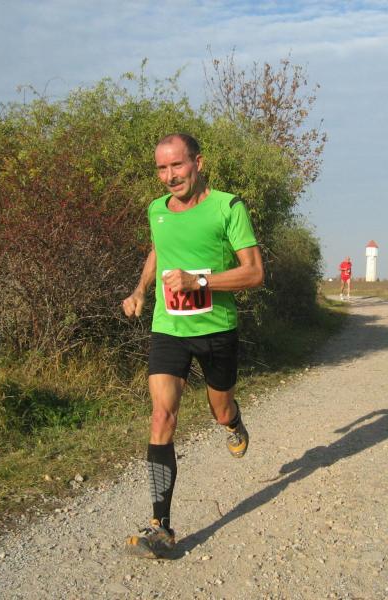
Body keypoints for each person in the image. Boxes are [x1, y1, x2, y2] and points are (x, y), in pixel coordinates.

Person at [121, 133, 264, 558]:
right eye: (162, 168)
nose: (170, 176)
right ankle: (160, 527)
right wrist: (140, 290)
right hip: (170, 328)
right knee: (161, 415)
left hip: (216, 329)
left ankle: (233, 423)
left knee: (220, 410)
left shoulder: (228, 207)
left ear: (198, 163)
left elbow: (254, 273)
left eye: (177, 166)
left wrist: (198, 281)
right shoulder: (157, 210)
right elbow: (159, 251)